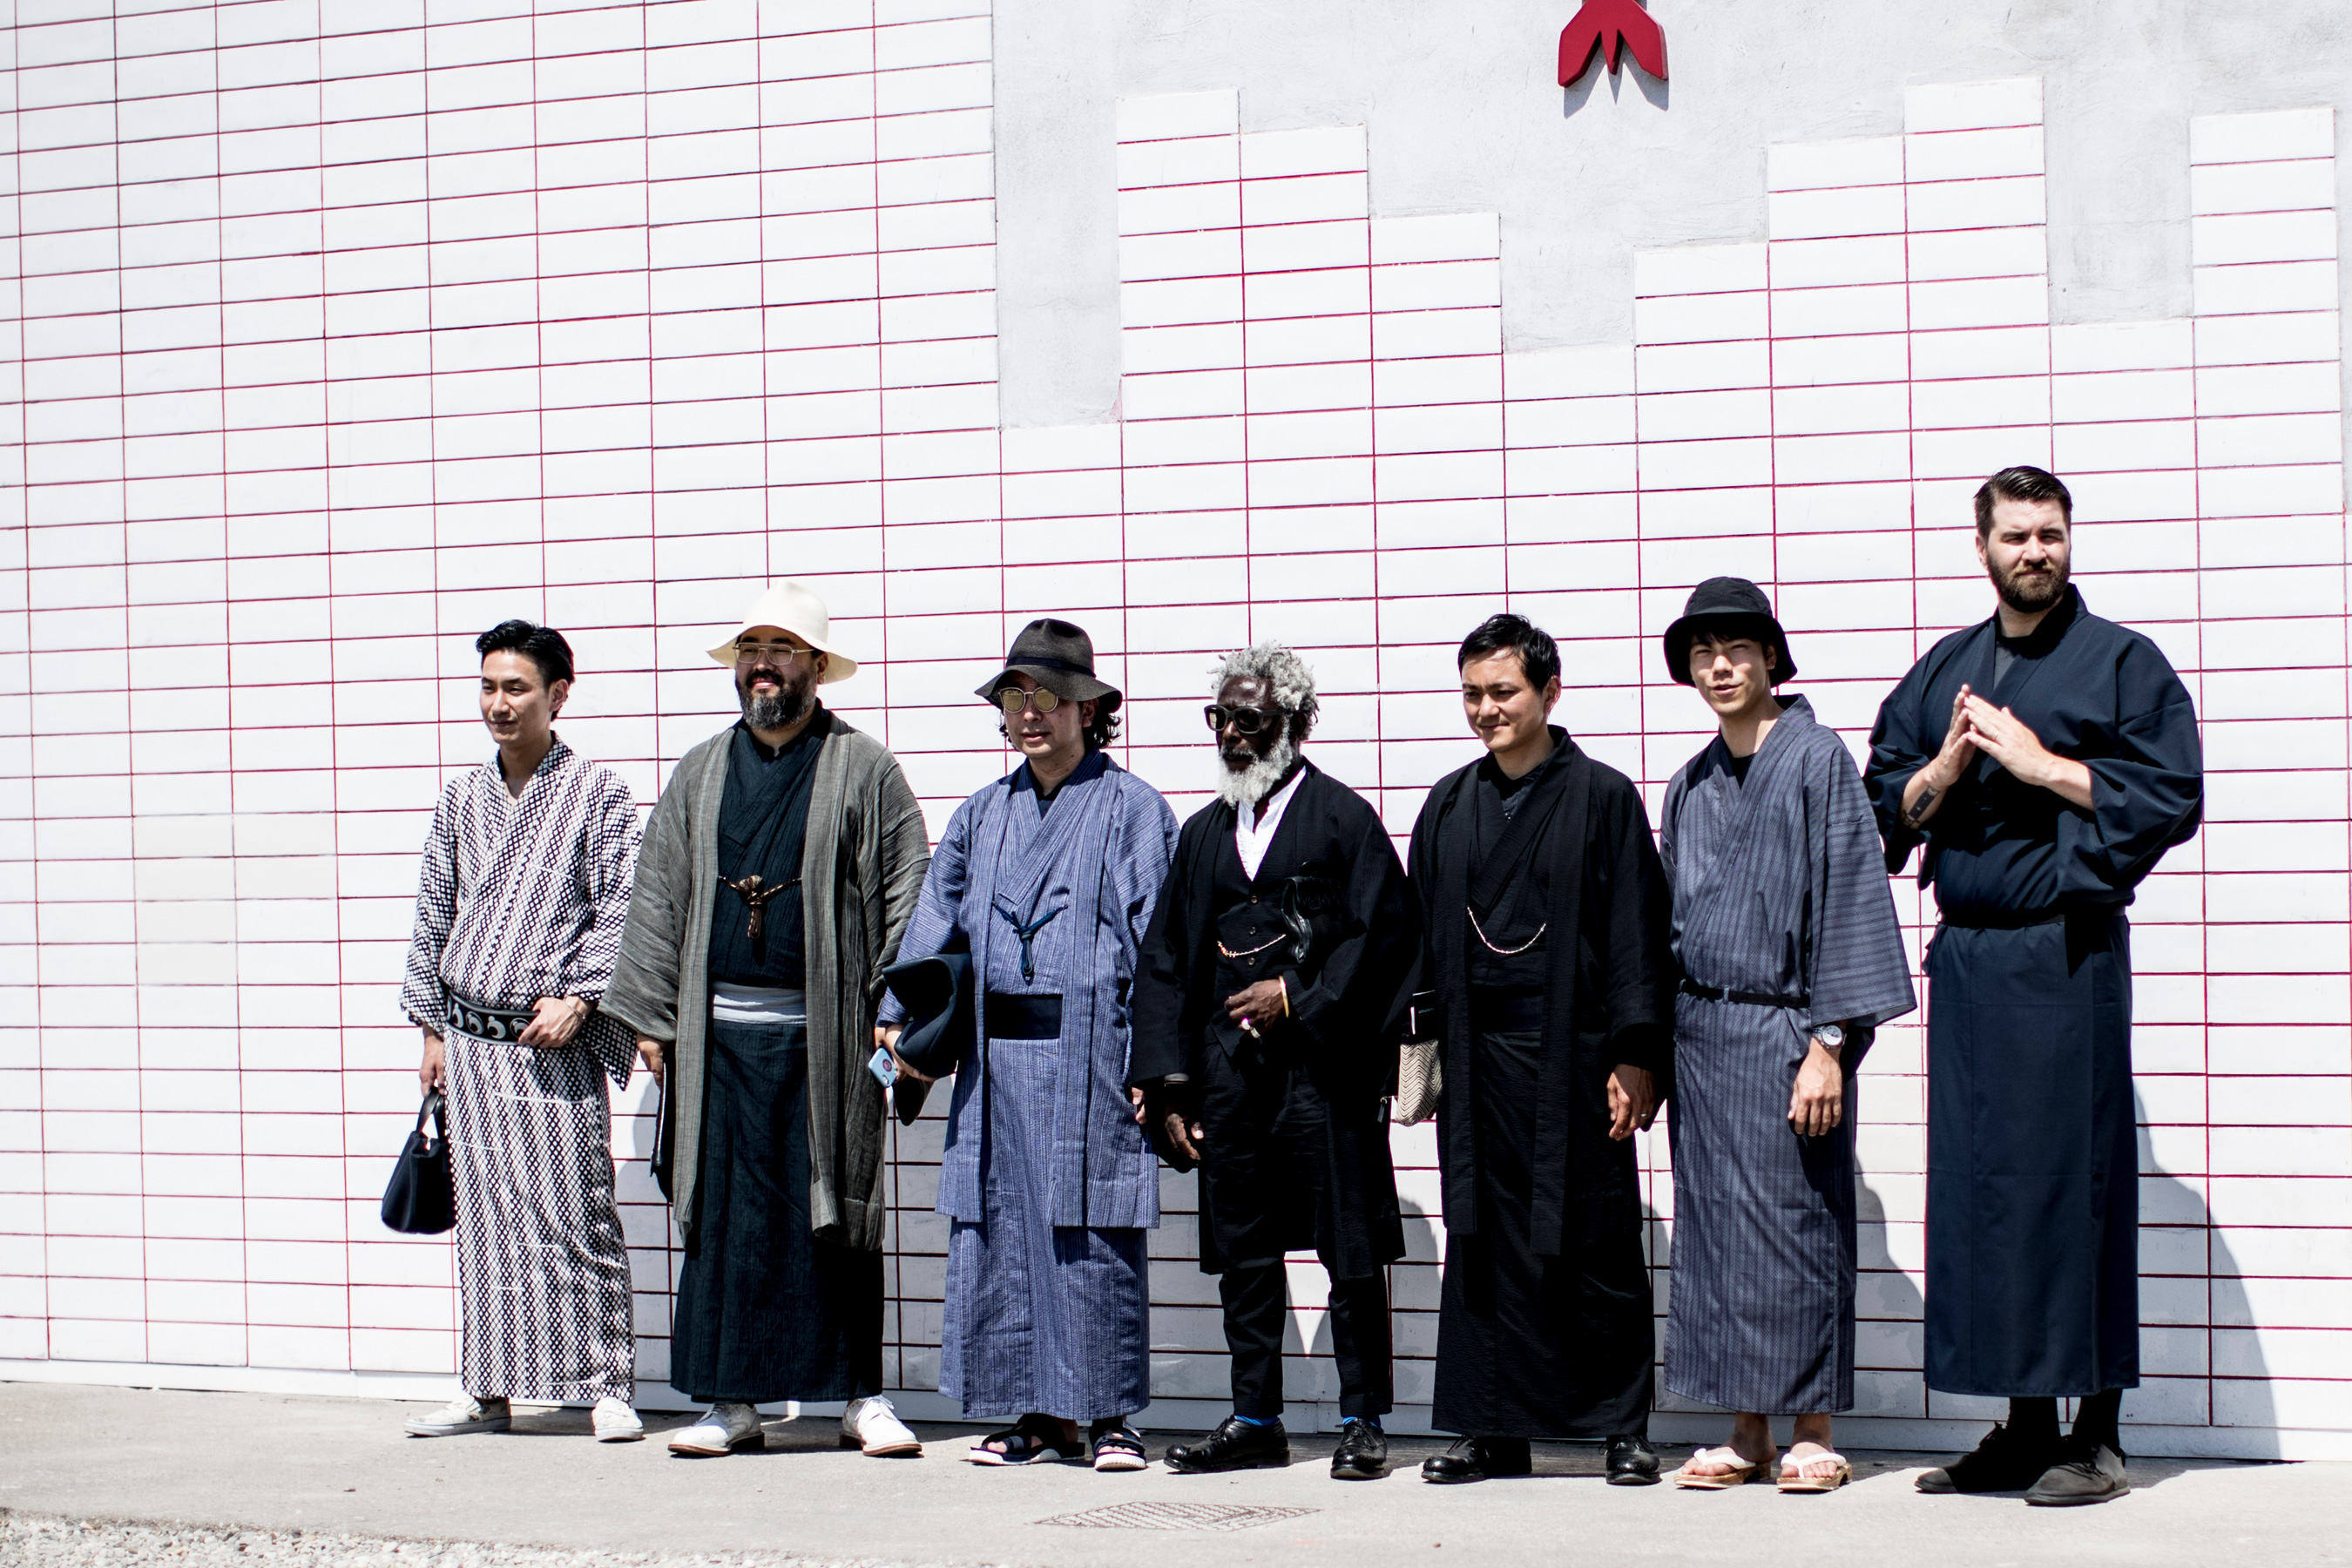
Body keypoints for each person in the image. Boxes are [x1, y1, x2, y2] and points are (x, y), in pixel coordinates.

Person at [1865, 468, 2202, 1506]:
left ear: (2069, 540)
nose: (2034, 552)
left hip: (2066, 955)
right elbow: (1883, 799)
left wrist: (2041, 762)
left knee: (2075, 1187)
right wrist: (1945, 773)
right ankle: (2021, 1428)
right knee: (1987, 1193)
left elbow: (2172, 795)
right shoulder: (1945, 669)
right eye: (2015, 536)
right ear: (1983, 547)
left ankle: (2097, 1436)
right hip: (1971, 962)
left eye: (2050, 533)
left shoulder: (2123, 664)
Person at [600, 583, 932, 1460]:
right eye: (751, 650)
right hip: (717, 1044)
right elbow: (659, 895)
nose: (762, 666)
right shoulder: (701, 771)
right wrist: (653, 1019)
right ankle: (732, 1404)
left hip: (828, 1043)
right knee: (727, 1223)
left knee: (839, 1216)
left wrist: (896, 1012)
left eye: (781, 651)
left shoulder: (865, 768)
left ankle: (860, 1396)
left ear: (817, 667)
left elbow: (909, 897)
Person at [878, 618, 1178, 1474]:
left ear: (1089, 710)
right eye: (1016, 698)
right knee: (1004, 1232)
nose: (1031, 713)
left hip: (1092, 1055)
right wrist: (896, 1016)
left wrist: (1157, 1062)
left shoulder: (1133, 810)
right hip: (994, 1062)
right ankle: (1039, 1418)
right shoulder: (981, 815)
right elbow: (935, 928)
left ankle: (1112, 1417)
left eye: (1049, 697)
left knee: (1092, 1231)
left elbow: (1160, 947)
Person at [1131, 644, 1420, 1481]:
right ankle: (1255, 1418)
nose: (1230, 734)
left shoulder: (1342, 820)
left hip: (1324, 1073)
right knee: (1244, 1252)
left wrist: (1297, 995)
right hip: (1230, 1076)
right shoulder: (1203, 835)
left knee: (1349, 1251)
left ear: (1294, 723)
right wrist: (1169, 1085)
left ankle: (1362, 1420)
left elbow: (1385, 936)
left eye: (1248, 719)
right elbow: (1166, 962)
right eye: (1219, 718)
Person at [1653, 579, 1916, 1493]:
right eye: (1702, 652)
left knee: (1800, 1223)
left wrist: (1829, 1044)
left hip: (1788, 1030)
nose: (1719, 666)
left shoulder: (1817, 760)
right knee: (1717, 1230)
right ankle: (1745, 1431)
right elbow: (1666, 927)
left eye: (1737, 648)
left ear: (1771, 657)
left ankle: (1812, 1430)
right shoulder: (1688, 785)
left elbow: (1848, 900)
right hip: (1702, 1035)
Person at [1405, 613, 1677, 1485]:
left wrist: (1635, 1052)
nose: (1486, 710)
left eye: (1503, 692)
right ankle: (1491, 1429)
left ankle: (1621, 1426)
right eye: (1472, 695)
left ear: (1550, 692)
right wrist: (1416, 1049)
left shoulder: (1602, 796)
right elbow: (1418, 939)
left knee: (1594, 1235)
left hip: (1576, 1049)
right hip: (1475, 1053)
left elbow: (1637, 930)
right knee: (1482, 1238)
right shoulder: (1449, 803)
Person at [398, 620, 646, 1443]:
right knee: (486, 1224)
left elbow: (623, 906)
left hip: (552, 1039)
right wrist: (432, 1030)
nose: (499, 704)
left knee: (575, 1212)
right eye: (489, 687)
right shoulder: (461, 798)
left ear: (557, 695)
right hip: (472, 1040)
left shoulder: (598, 793)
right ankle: (486, 1388)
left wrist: (582, 997)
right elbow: (435, 910)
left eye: (517, 688)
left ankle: (607, 1385)